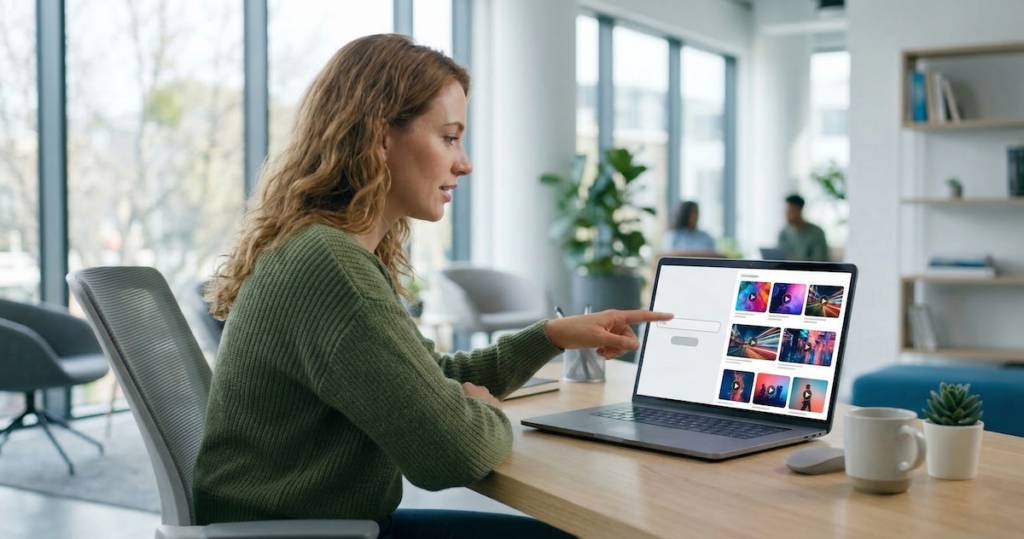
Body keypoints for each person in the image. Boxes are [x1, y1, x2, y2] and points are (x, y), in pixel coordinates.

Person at [195, 34, 672, 539]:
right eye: (449, 137)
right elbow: (453, 455)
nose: (463, 162)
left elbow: (429, 376)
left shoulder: (325, 250)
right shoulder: (331, 268)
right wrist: (483, 413)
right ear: (381, 138)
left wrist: (550, 335)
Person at [777, 194, 829, 262]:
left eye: (790, 211)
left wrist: (798, 261)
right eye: (786, 211)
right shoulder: (783, 234)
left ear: (799, 211)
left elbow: (821, 260)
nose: (787, 215)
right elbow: (778, 258)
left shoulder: (817, 233)